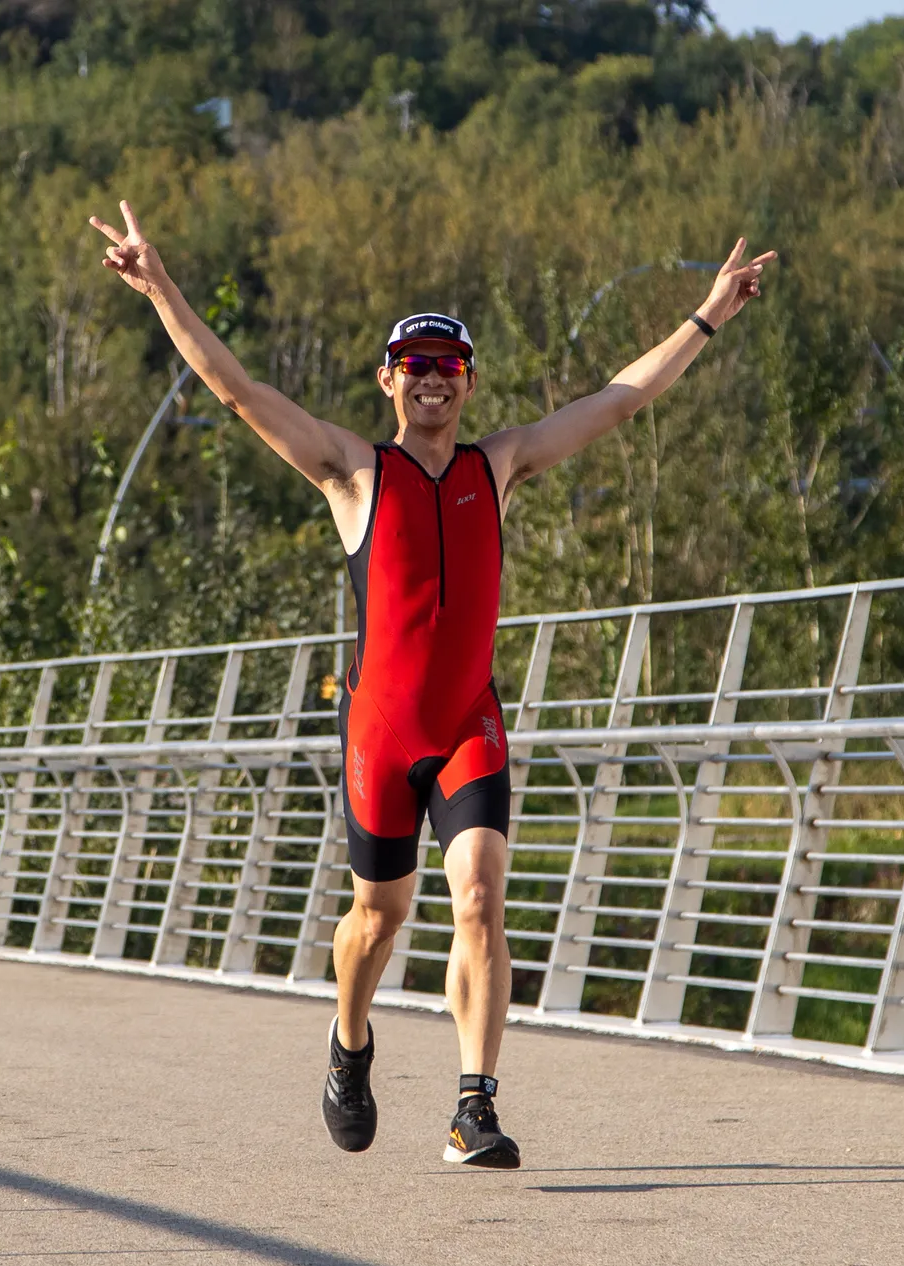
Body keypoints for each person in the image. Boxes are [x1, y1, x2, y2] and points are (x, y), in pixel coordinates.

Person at [92, 201, 775, 1169]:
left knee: (482, 901)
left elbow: (619, 397)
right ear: (388, 380)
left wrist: (708, 315)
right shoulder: (351, 471)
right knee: (379, 915)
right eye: (414, 367)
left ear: (468, 381)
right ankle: (349, 1038)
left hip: (466, 724)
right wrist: (158, 284)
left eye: (448, 367)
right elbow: (239, 390)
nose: (432, 382)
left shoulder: (499, 464)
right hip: (379, 733)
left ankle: (473, 1106)